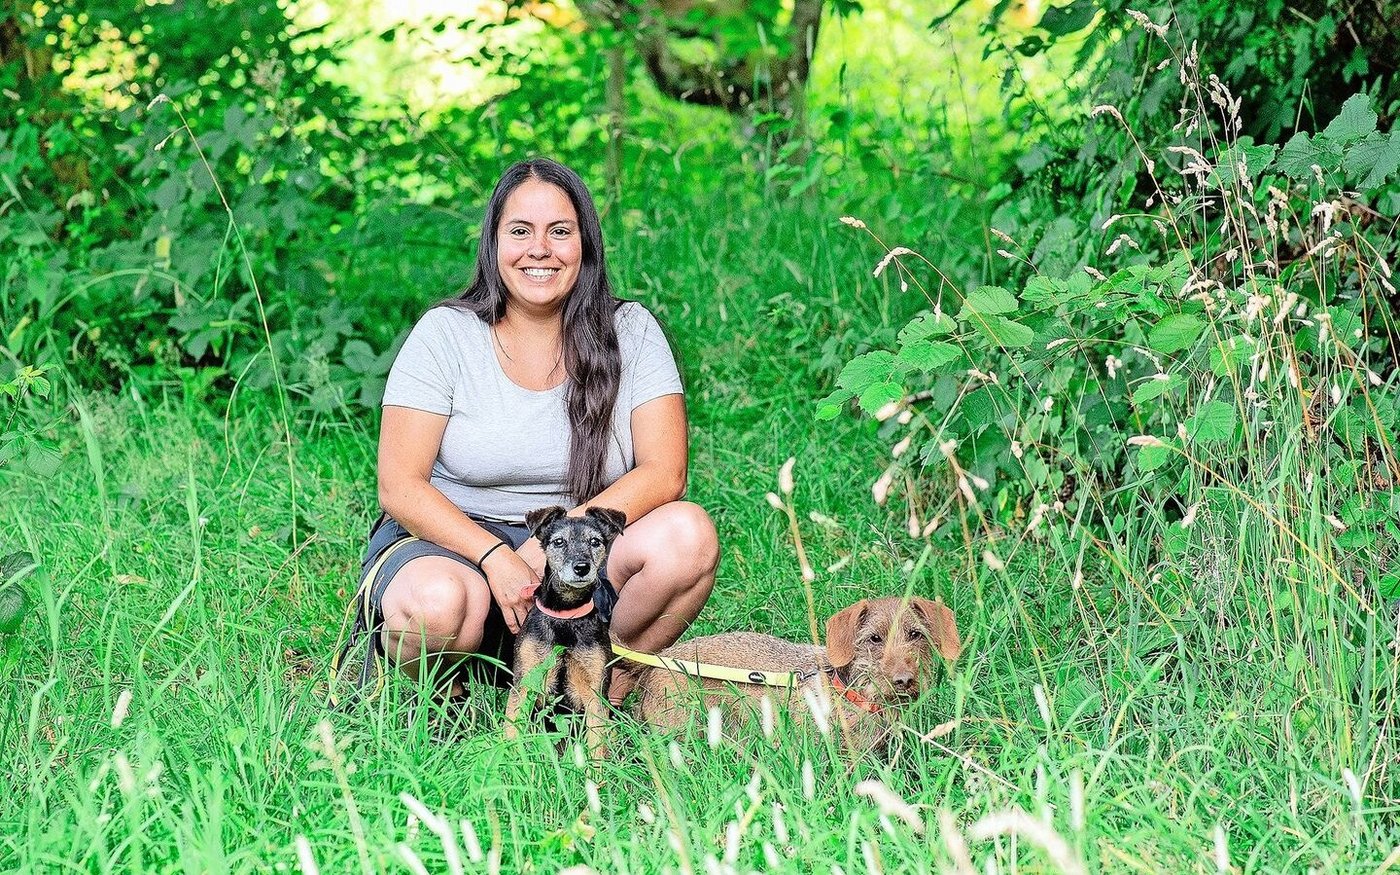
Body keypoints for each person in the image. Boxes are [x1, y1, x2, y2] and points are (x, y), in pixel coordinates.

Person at [352, 157, 718, 704]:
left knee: (688, 537)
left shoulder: (633, 332)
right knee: (436, 602)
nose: (539, 249)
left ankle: (592, 699)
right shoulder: (446, 335)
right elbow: (399, 486)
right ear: (493, 243)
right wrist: (494, 555)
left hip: (578, 543)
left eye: (560, 232)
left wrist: (549, 544)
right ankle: (452, 702)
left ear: (586, 245)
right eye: (520, 231)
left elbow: (666, 472)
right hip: (453, 541)